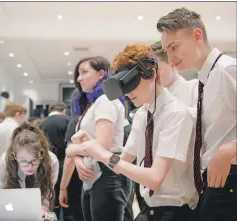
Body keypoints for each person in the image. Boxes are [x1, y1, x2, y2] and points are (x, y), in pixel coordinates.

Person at [78, 44, 199, 221]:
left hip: (177, 211)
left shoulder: (177, 114)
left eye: (130, 85)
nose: (127, 94)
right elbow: (123, 163)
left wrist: (103, 154)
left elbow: (155, 178)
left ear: (150, 74)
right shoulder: (142, 115)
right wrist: (95, 145)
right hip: (148, 209)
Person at [157, 7, 237, 221]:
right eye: (167, 51)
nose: (171, 57)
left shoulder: (228, 70)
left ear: (197, 35)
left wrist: (230, 149)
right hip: (213, 181)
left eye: (174, 47)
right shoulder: (205, 79)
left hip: (230, 179)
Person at [65, 56, 132, 221]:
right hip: (94, 175)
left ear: (101, 73)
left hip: (107, 174)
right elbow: (87, 146)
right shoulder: (94, 104)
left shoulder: (106, 100)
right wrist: (79, 160)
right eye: (78, 74)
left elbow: (102, 144)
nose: (79, 78)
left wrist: (72, 150)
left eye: (84, 72)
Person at [0, 121, 59, 219]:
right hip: (9, 209)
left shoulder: (51, 161)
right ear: (14, 156)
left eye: (34, 160)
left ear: (41, 153)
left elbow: (46, 197)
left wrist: (42, 210)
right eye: (23, 161)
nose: (30, 167)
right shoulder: (5, 161)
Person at [40, 102, 72, 220]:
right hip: (66, 162)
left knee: (51, 192)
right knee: (67, 196)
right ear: (64, 111)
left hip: (47, 163)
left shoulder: (42, 123)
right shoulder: (68, 120)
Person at [150, 41, 198, 107]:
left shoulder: (192, 91)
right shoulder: (154, 99)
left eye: (158, 70)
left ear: (172, 63)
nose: (154, 76)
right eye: (151, 71)